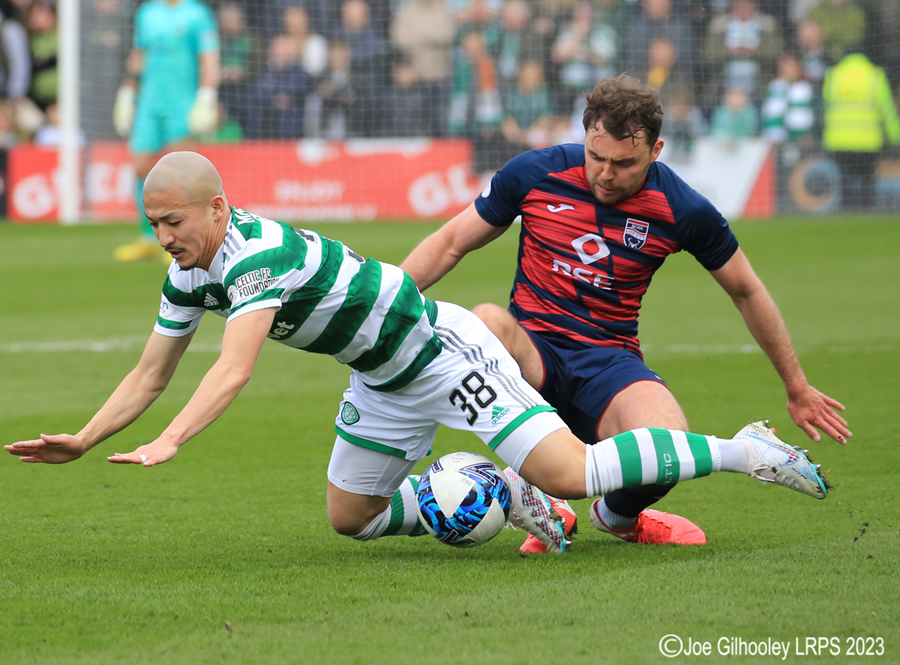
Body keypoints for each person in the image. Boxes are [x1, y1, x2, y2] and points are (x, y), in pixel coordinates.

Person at [5, 151, 830, 555]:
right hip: (383, 373)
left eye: (173, 222)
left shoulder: (253, 254)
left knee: (574, 469)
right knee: (349, 519)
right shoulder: (191, 267)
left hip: (442, 352)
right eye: (152, 225)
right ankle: (505, 494)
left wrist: (173, 439)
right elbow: (152, 369)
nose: (162, 238)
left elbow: (234, 367)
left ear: (217, 208)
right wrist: (86, 436)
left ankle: (741, 448)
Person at [399, 75, 851, 553]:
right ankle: (531, 489)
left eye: (623, 163)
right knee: (486, 319)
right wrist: (384, 304)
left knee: (670, 437)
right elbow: (449, 244)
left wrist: (796, 386)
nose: (605, 174)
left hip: (608, 361)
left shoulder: (682, 209)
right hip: (532, 353)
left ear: (656, 150)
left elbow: (747, 291)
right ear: (585, 136)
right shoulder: (534, 174)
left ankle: (617, 516)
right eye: (597, 157)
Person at [112, 0, 220, 263]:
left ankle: (184, 241)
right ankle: (148, 237)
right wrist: (128, 91)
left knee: (182, 173)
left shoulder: (197, 13)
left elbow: (209, 56)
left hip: (181, 102)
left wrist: (207, 95)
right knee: (140, 167)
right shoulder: (148, 12)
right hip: (149, 102)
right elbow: (139, 53)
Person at [822, 49, 900, 211]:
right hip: (868, 141)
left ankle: (845, 212)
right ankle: (867, 213)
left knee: (844, 180)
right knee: (867, 181)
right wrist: (895, 136)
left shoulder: (834, 74)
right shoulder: (875, 75)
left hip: (839, 140)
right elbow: (886, 109)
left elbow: (825, 104)